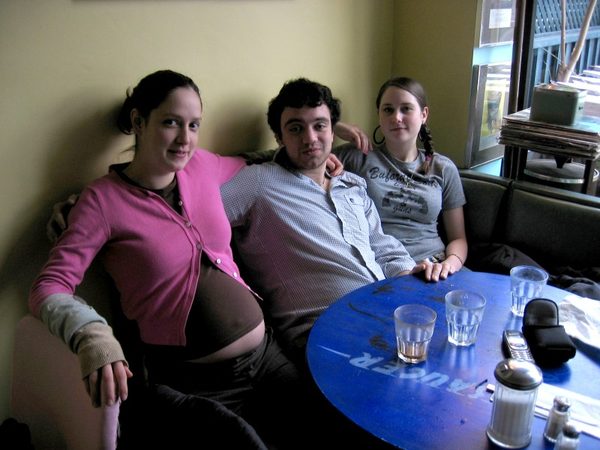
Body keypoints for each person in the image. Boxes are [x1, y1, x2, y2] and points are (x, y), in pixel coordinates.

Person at [29, 70, 309, 449]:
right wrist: (91, 335)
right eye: (171, 123)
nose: (185, 139)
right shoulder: (100, 202)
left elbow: (253, 159)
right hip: (200, 385)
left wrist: (326, 154)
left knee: (328, 427)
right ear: (138, 122)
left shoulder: (201, 166)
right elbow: (49, 287)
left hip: (267, 357)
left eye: (194, 125)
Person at [220, 78, 423, 368]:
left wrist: (414, 280)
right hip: (326, 335)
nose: (310, 138)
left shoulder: (351, 184)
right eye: (295, 129)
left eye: (320, 126)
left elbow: (384, 248)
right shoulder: (259, 182)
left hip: (386, 314)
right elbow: (195, 212)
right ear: (279, 137)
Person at [333, 76, 468, 282]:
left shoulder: (443, 168)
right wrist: (334, 126)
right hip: (383, 268)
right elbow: (303, 156)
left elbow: (458, 238)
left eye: (406, 109)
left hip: (437, 266)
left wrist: (449, 265)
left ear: (424, 114)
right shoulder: (358, 157)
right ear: (379, 116)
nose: (396, 117)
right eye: (388, 110)